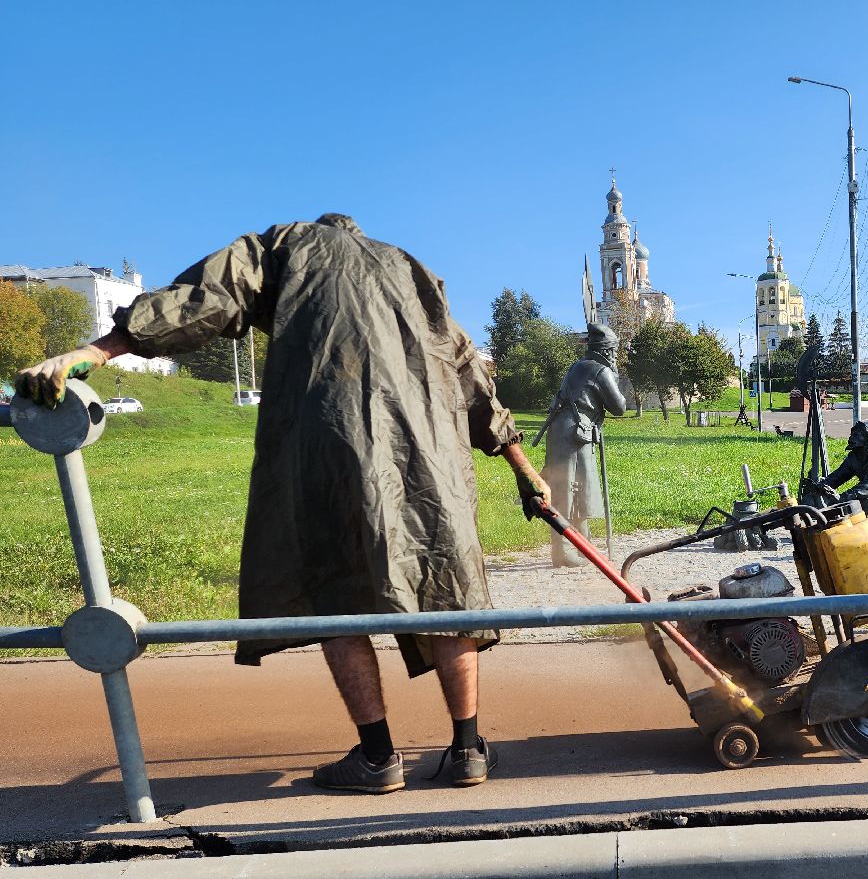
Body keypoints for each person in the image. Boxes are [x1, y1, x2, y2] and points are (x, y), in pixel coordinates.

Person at [16, 214, 551, 794]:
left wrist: (94, 352)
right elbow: (467, 368)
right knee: (442, 583)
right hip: (428, 447)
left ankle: (377, 759)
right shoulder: (409, 267)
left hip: (325, 437)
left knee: (334, 590)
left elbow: (207, 296)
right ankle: (469, 749)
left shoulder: (286, 244)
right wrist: (525, 471)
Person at [537, 321, 627, 567]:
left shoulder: (579, 366)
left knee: (579, 489)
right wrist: (614, 372)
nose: (616, 355)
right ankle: (562, 551)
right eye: (614, 351)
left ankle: (583, 542)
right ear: (607, 351)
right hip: (574, 434)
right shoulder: (600, 370)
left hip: (567, 430)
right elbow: (619, 407)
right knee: (566, 491)